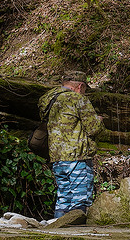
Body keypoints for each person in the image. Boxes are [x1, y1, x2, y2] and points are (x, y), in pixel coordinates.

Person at [39, 72, 103, 217]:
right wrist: (98, 120)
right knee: (81, 200)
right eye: (85, 89)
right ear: (80, 86)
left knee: (63, 199)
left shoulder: (48, 99)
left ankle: (58, 227)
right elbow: (94, 129)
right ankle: (77, 229)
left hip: (56, 157)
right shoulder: (78, 99)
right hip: (77, 158)